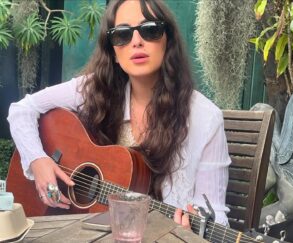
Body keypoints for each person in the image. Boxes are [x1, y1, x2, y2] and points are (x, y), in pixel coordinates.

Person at [7, 0, 231, 227]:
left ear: (168, 41)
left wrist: (192, 228)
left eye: (150, 30)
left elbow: (216, 216)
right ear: (113, 52)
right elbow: (22, 110)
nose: (136, 42)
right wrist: (38, 160)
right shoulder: (95, 89)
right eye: (122, 35)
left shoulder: (205, 118)